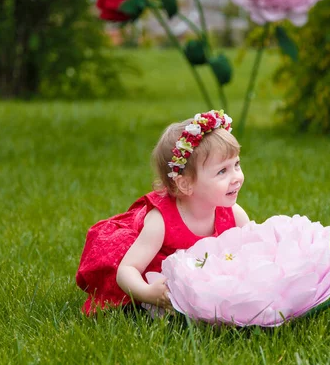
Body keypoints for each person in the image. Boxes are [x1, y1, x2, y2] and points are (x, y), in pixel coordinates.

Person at [76, 110, 250, 315]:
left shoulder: (234, 215)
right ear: (185, 184)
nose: (236, 177)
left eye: (236, 165)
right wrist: (148, 293)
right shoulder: (160, 221)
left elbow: (253, 254)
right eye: (222, 171)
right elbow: (126, 270)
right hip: (151, 259)